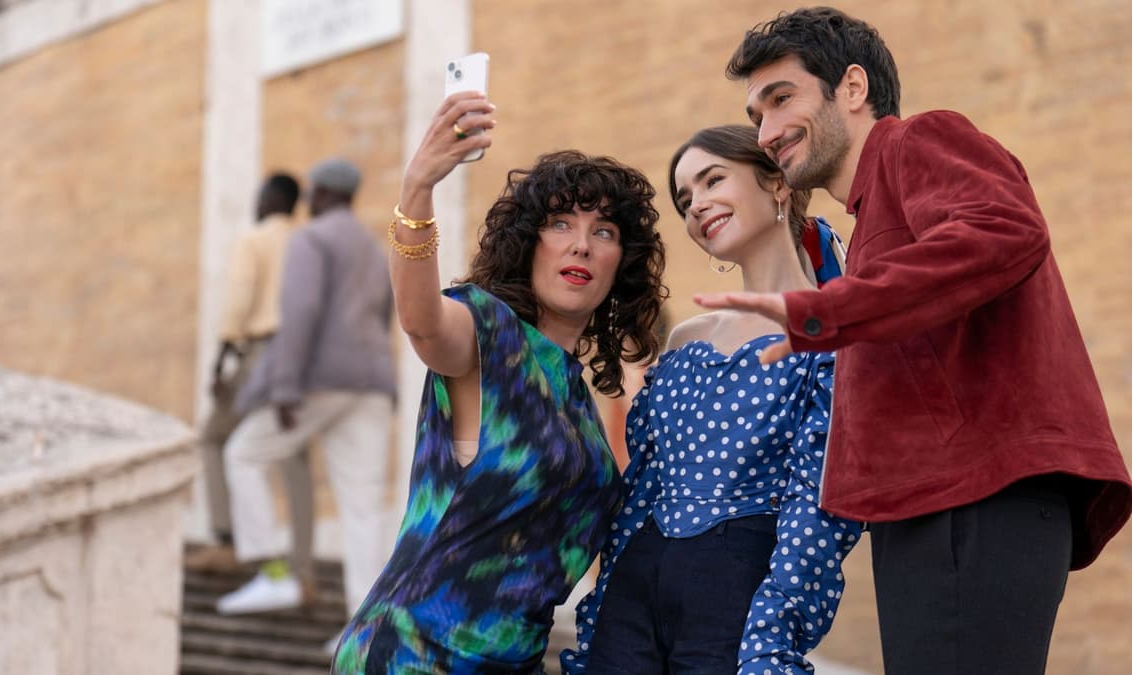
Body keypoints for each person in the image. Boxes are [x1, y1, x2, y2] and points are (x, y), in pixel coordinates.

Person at [695, 7, 1132, 674]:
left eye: (782, 99)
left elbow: (1004, 229)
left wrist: (829, 307)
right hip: (935, 511)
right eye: (755, 115)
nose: (768, 130)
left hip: (974, 501)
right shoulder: (868, 222)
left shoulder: (918, 142)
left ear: (852, 88)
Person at [330, 91, 667, 673]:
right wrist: (417, 191)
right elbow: (423, 322)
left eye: (604, 230)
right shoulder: (490, 332)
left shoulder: (578, 402)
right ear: (528, 243)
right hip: (414, 656)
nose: (581, 243)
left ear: (622, 264)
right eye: (561, 223)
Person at [563, 125, 861, 674]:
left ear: (777, 183)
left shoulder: (832, 332)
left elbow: (818, 507)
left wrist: (773, 630)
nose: (697, 205)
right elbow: (642, 493)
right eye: (685, 198)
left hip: (737, 595)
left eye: (712, 180)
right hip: (634, 593)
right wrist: (604, 601)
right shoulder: (685, 340)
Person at [216, 158, 396, 620]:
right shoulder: (374, 250)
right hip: (372, 384)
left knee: (242, 454)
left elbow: (300, 313)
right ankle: (366, 627)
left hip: (320, 379)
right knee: (363, 507)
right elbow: (384, 318)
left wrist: (284, 386)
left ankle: (277, 576)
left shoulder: (311, 239)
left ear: (319, 193)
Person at [186, 172, 315, 573]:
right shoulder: (307, 243)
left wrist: (224, 355)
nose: (256, 204)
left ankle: (226, 538)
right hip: (301, 356)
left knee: (214, 438)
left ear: (272, 198)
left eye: (260, 196)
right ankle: (301, 565)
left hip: (260, 352)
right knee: (293, 454)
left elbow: (240, 297)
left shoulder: (254, 239)